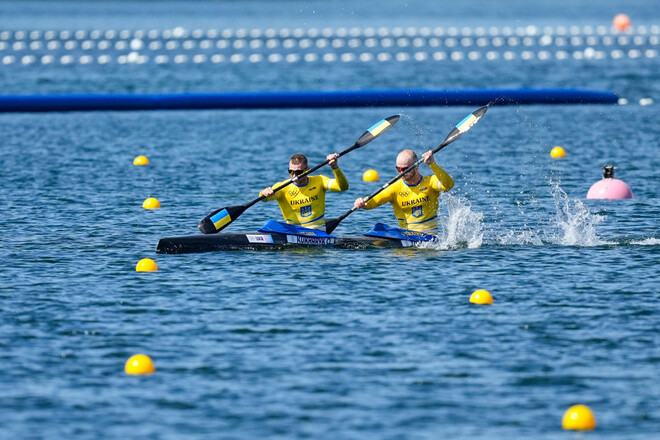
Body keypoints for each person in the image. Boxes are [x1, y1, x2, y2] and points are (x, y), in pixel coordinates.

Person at [353, 149, 453, 234]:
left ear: (416, 166)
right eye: (398, 169)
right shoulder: (394, 188)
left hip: (429, 241)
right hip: (405, 241)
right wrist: (363, 202)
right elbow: (373, 201)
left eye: (405, 169)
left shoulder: (430, 182)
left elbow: (448, 185)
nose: (401, 172)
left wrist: (433, 165)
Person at [260, 153, 349, 230]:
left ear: (307, 170)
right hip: (293, 231)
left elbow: (342, 187)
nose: (294, 175)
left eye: (298, 172)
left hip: (316, 230)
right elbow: (264, 199)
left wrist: (335, 167)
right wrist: (263, 193)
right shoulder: (282, 187)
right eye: (291, 171)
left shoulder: (320, 181)